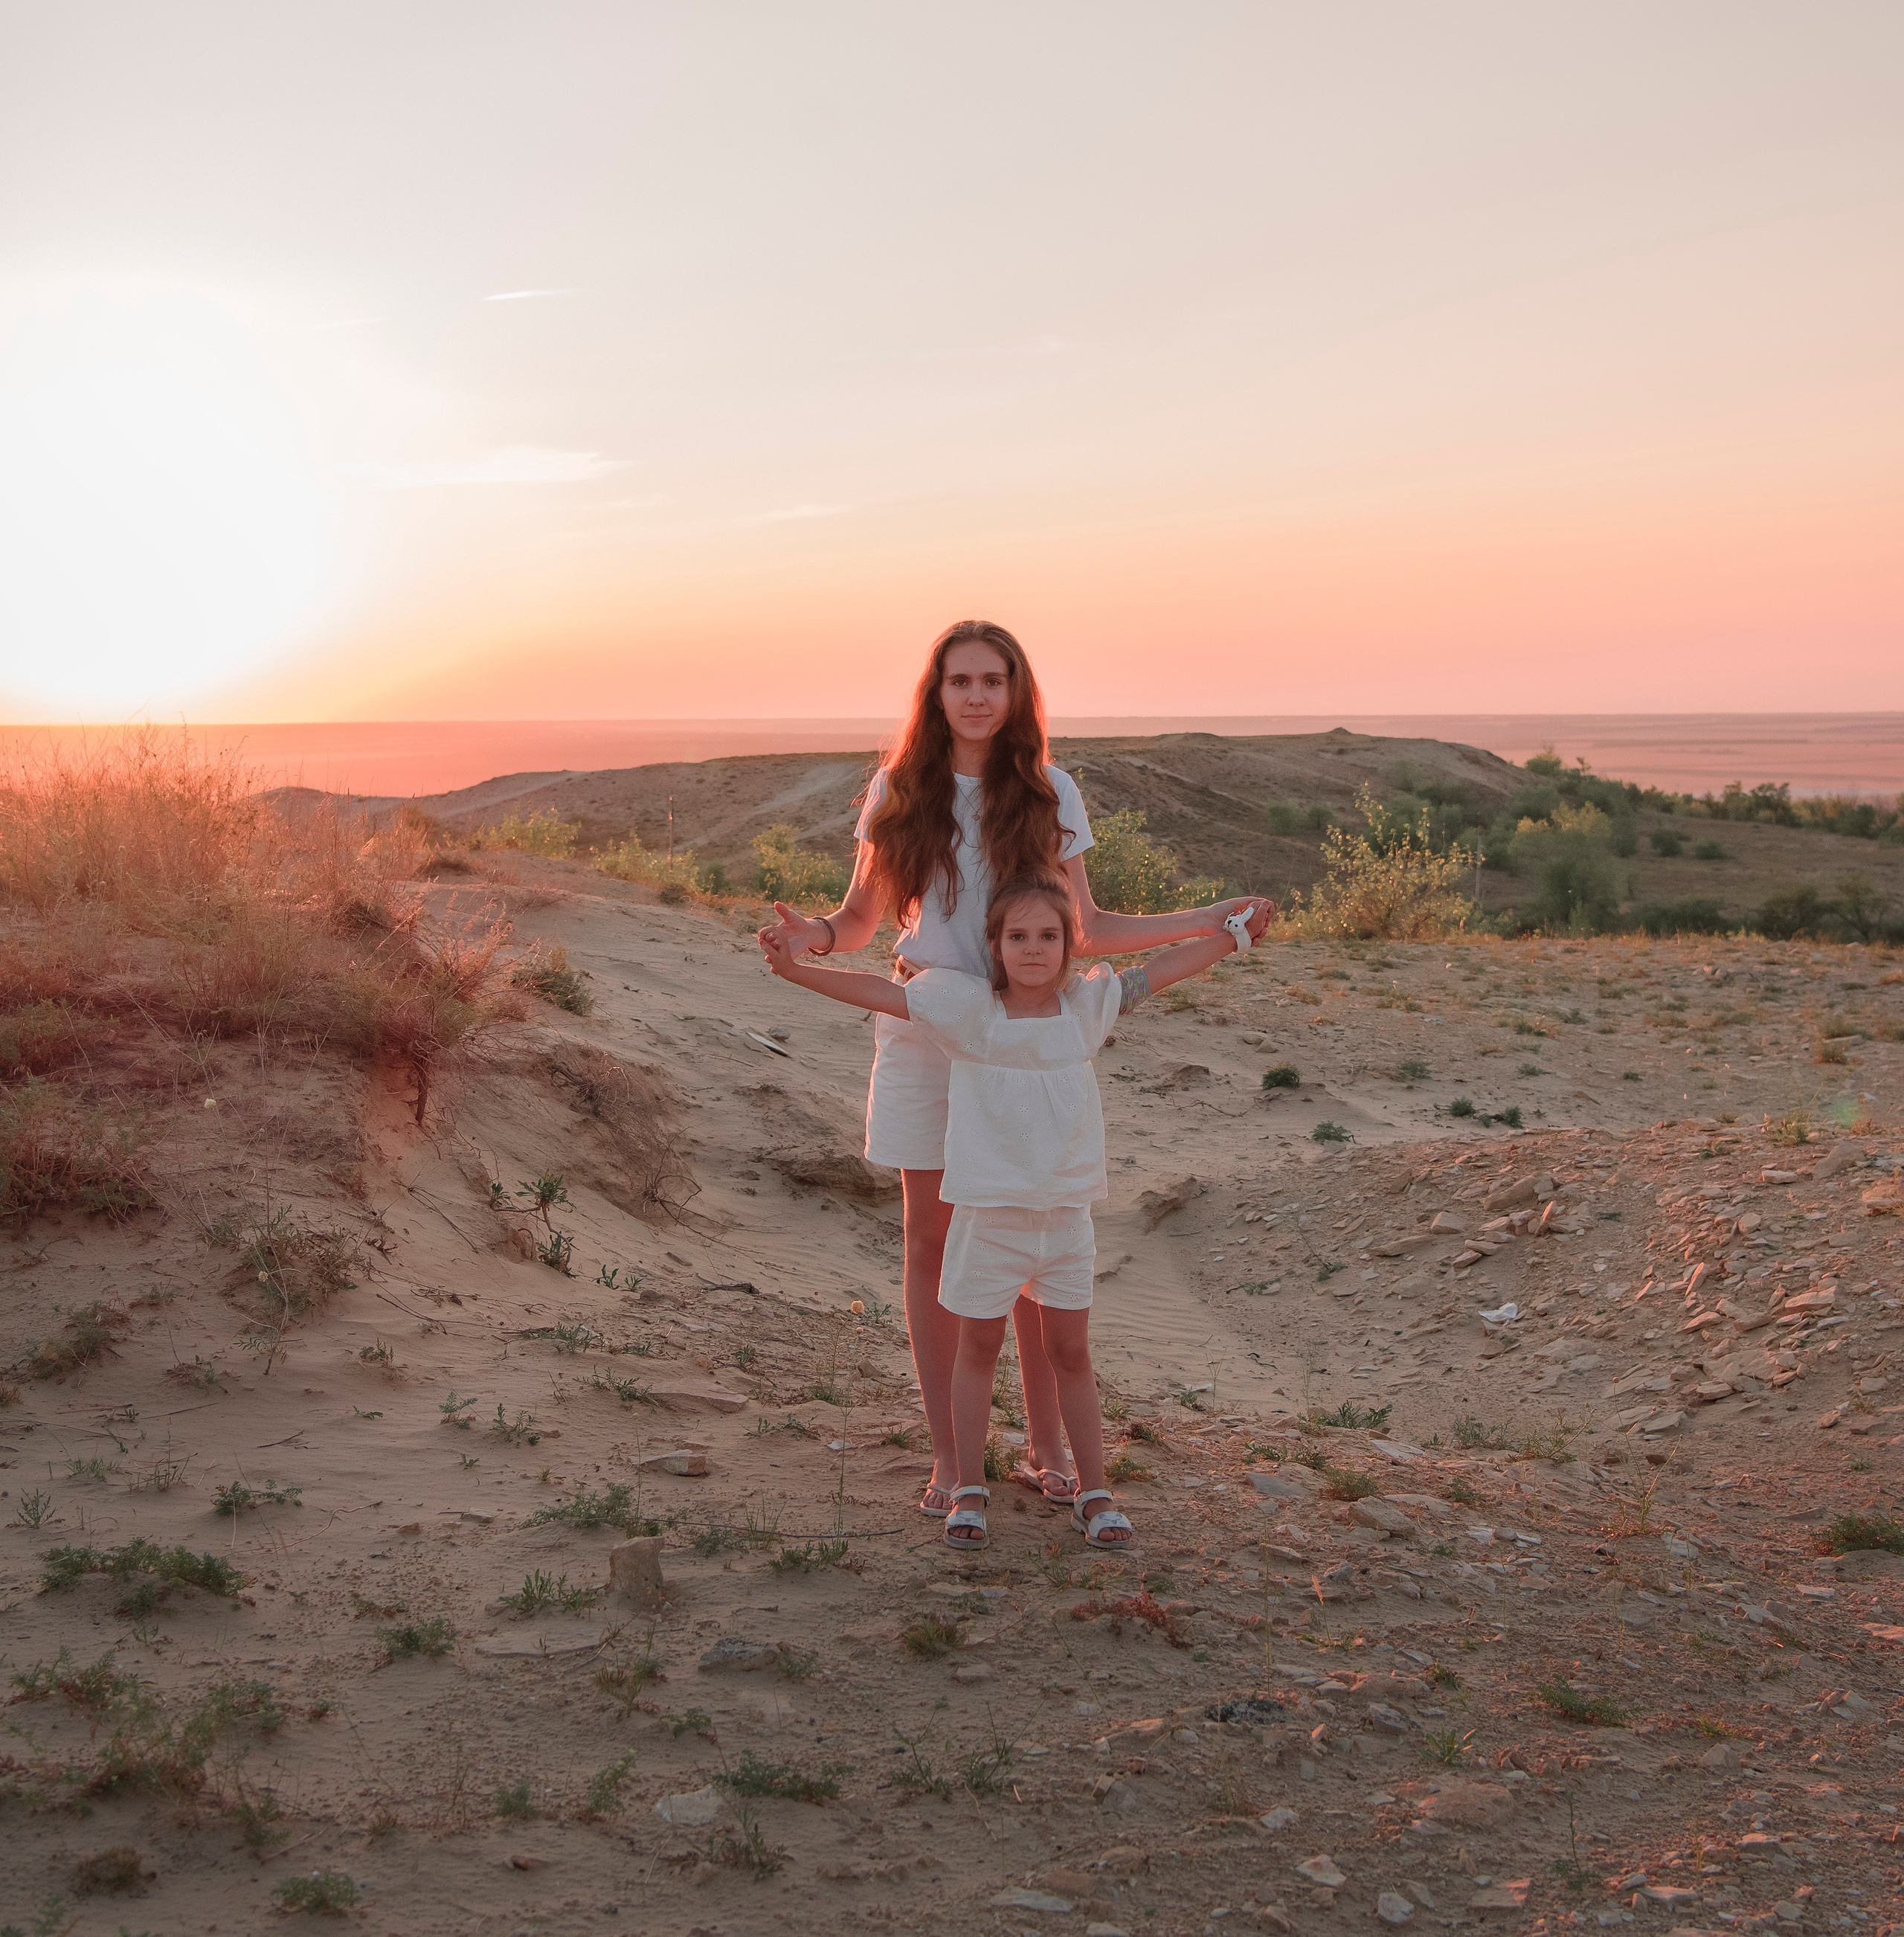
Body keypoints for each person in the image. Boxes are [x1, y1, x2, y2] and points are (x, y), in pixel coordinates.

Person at [756, 619, 1272, 1521]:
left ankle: (1045, 1445)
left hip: (1022, 1028)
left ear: (1016, 691)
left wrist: (1209, 920)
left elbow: (1089, 930)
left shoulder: (1048, 789)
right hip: (925, 1020)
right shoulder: (897, 787)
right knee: (930, 1240)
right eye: (959, 681)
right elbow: (862, 919)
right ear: (936, 693)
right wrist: (815, 939)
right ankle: (951, 1457)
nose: (976, 696)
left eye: (992, 680)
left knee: (1028, 1226)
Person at [759, 868, 1261, 1549]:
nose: (1034, 949)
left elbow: (1160, 973)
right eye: (1018, 936)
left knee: (1072, 1352)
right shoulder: (971, 1014)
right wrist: (795, 971)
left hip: (1065, 1223)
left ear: (1068, 945)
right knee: (979, 1348)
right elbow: (881, 992)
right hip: (987, 1222)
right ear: (993, 946)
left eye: (1050, 936)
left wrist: (1231, 938)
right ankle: (969, 1487)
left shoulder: (1087, 1010)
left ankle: (1095, 1492)